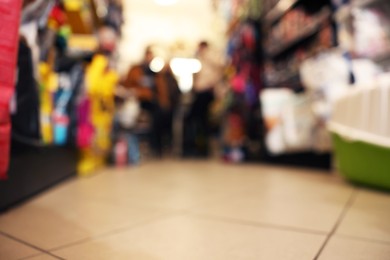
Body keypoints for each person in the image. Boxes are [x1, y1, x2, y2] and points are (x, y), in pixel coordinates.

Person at [121, 47, 171, 157]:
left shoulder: (156, 73)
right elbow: (128, 84)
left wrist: (164, 102)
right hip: (139, 100)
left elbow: (162, 90)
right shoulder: (136, 70)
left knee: (161, 117)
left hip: (153, 101)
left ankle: (158, 146)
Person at [183, 41, 224, 157]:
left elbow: (220, 66)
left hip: (206, 92)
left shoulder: (210, 55)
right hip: (201, 92)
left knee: (199, 119)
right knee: (199, 120)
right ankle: (199, 146)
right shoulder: (200, 59)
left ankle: (201, 147)